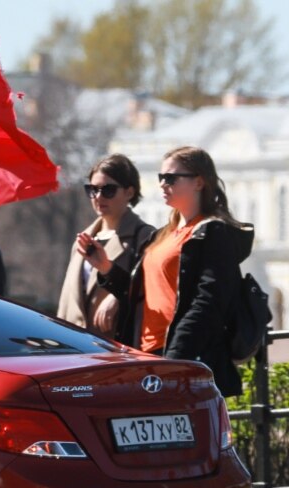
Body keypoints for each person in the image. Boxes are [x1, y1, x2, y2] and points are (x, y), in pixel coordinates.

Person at [92, 146, 252, 397]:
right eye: (160, 178)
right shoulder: (162, 235)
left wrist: (176, 358)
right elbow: (139, 293)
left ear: (199, 182)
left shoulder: (213, 232)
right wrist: (107, 268)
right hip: (146, 355)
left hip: (185, 358)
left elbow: (208, 302)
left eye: (171, 178)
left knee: (191, 435)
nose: (162, 185)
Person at [57, 154, 155, 337]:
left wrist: (117, 298)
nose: (99, 197)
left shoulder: (145, 237)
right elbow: (67, 303)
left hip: (116, 350)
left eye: (108, 190)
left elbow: (152, 292)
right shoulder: (83, 240)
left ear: (129, 192)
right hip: (73, 350)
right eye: (92, 190)